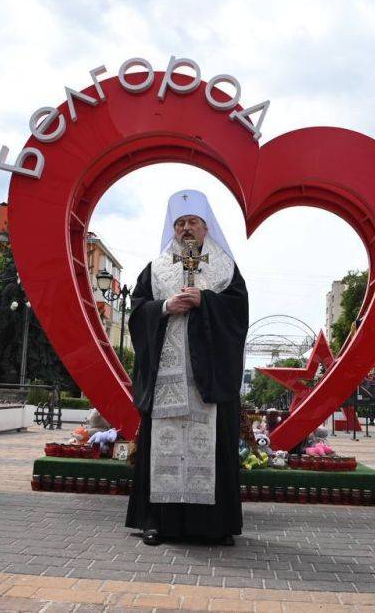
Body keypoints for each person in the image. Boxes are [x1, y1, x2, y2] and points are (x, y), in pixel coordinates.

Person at [126, 189, 248, 546]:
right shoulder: (155, 268)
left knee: (211, 447)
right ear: (173, 229)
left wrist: (205, 301)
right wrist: (163, 307)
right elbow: (137, 310)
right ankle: (155, 523)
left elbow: (238, 313)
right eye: (179, 223)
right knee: (161, 447)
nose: (186, 228)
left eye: (192, 221)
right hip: (166, 380)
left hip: (206, 381)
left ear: (206, 227)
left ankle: (214, 525)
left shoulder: (225, 268)